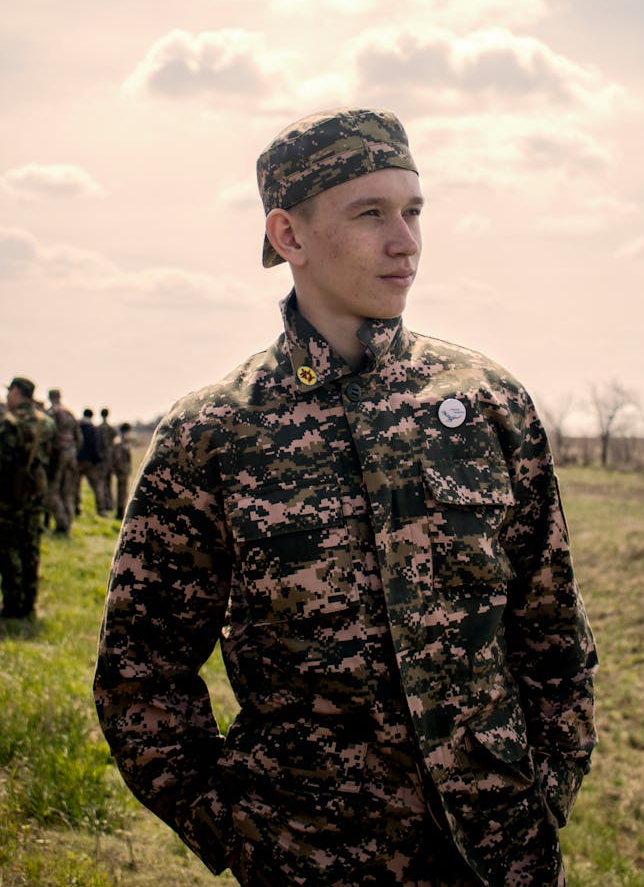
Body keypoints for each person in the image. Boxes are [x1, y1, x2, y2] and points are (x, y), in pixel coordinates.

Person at [94, 108, 597, 886]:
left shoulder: (488, 403)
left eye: (414, 211)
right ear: (289, 235)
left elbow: (552, 629)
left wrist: (546, 787)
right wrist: (240, 830)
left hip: (499, 857)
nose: (407, 242)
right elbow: (141, 670)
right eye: (371, 213)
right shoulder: (215, 432)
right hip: (309, 859)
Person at [0, 376, 56, 618]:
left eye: (9, 392)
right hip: (37, 494)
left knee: (9, 547)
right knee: (31, 546)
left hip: (10, 496)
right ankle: (29, 601)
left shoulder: (10, 423)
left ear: (17, 392)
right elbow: (53, 460)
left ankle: (13, 604)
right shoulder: (47, 423)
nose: (6, 397)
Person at [46, 388, 83, 533]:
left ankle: (61, 523)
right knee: (68, 490)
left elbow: (47, 436)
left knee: (52, 490)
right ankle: (68, 522)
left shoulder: (51, 414)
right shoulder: (70, 413)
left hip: (58, 455)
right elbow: (79, 438)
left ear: (50, 398)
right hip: (71, 453)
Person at [77, 407, 106, 515]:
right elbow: (95, 445)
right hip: (90, 462)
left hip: (78, 461)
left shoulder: (77, 427)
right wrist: (97, 460)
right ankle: (101, 510)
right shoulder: (92, 429)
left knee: (75, 486)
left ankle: (77, 508)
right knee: (97, 486)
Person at [112, 422, 133, 519]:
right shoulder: (119, 442)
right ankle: (120, 513)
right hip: (122, 472)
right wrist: (122, 470)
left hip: (124, 471)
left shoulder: (124, 442)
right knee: (122, 492)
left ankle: (121, 511)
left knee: (123, 492)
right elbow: (117, 459)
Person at [98, 407, 116, 512]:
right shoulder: (111, 429)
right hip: (110, 459)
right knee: (109, 483)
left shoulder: (98, 428)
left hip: (102, 459)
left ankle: (104, 504)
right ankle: (109, 504)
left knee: (102, 482)